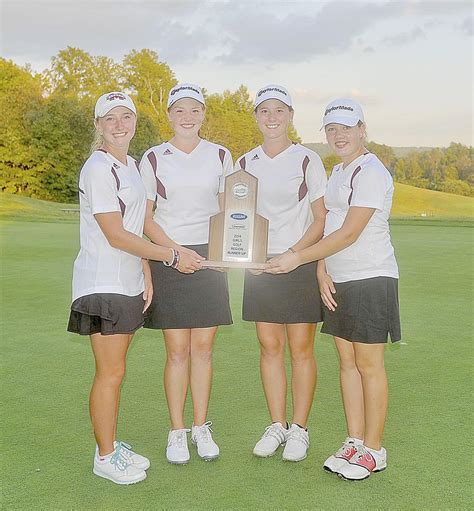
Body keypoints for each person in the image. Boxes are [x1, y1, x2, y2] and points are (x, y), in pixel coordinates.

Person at [266, 98, 401, 480]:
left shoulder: (371, 171)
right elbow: (328, 223)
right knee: (347, 363)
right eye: (331, 129)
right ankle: (354, 440)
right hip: (339, 280)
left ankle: (375, 449)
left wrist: (301, 257)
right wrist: (322, 269)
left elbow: (350, 231)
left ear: (362, 130)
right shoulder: (339, 171)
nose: (339, 135)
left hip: (371, 277)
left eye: (346, 127)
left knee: (369, 365)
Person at [67, 92, 182, 485]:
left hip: (127, 281)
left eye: (126, 117)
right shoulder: (98, 168)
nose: (119, 125)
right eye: (110, 118)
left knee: (117, 371)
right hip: (103, 283)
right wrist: (170, 255)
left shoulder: (131, 165)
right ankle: (104, 456)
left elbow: (136, 225)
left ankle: (111, 443)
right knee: (110, 374)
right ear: (98, 125)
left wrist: (147, 269)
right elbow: (115, 235)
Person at [140, 83, 233, 464]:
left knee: (203, 350)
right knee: (177, 351)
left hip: (210, 257)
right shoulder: (153, 157)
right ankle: (177, 431)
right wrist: (175, 254)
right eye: (180, 110)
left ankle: (200, 427)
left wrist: (230, 250)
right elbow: (145, 216)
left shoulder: (222, 155)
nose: (187, 116)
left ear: (203, 113)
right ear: (169, 115)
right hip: (169, 255)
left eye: (194, 109)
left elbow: (232, 211)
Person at [234, 85, 327, 462]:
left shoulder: (307, 160)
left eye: (279, 110)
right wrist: (244, 256)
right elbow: (235, 220)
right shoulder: (243, 163)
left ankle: (299, 430)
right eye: (264, 111)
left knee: (301, 350)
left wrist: (295, 254)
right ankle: (277, 424)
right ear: (256, 117)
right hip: (259, 264)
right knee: (269, 348)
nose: (271, 118)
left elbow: (321, 219)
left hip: (298, 262)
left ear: (290, 116)